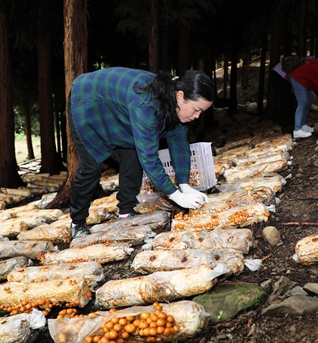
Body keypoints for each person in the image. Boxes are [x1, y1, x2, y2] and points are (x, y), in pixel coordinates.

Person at [68, 67, 214, 238]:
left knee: (132, 152)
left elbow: (180, 143)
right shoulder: (146, 104)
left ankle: (126, 210)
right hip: (89, 100)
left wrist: (184, 185)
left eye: (201, 112)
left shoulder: (173, 104)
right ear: (180, 96)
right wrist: (175, 195)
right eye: (196, 109)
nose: (197, 116)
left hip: (120, 105)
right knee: (91, 167)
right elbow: (149, 157)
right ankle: (77, 222)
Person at [271, 62, 295, 132]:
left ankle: (289, 123)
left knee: (288, 99)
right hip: (280, 74)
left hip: (283, 74)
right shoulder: (311, 62)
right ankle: (286, 125)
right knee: (285, 99)